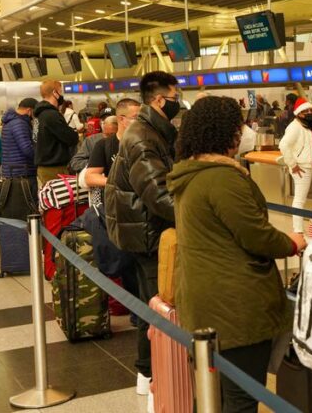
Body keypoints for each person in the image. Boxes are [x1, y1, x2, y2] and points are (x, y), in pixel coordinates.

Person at [167, 96, 305, 412]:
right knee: (241, 398)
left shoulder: (190, 173)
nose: (243, 131)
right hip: (235, 306)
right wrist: (293, 243)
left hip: (203, 299)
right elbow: (256, 235)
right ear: (224, 132)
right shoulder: (222, 178)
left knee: (216, 394)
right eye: (238, 125)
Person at [106, 71, 179, 398]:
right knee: (158, 307)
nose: (180, 101)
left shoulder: (151, 132)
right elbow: (159, 195)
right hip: (148, 234)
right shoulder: (143, 137)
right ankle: (153, 379)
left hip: (142, 230)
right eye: (176, 96)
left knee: (151, 304)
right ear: (160, 99)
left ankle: (146, 371)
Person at [279, 97, 312, 234]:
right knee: (299, 200)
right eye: (306, 111)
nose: (310, 113)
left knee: (301, 199)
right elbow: (283, 145)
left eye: (311, 110)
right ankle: (298, 230)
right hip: (301, 167)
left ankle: (301, 226)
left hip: (304, 165)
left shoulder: (303, 125)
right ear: (298, 113)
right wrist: (293, 165)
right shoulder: (295, 127)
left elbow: (302, 144)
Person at [85, 99, 140, 208]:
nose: (140, 121)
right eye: (135, 117)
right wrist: (118, 183)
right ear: (121, 119)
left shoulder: (146, 143)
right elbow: (90, 177)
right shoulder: (104, 145)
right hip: (117, 205)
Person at [34, 80, 80, 187]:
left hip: (44, 166)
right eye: (60, 91)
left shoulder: (39, 115)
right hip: (54, 168)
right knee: (60, 201)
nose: (62, 95)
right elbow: (71, 138)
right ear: (55, 93)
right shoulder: (51, 115)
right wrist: (74, 133)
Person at [0, 98, 37, 184]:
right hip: (22, 172)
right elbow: (27, 148)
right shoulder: (20, 123)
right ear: (29, 110)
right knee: (27, 197)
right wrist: (40, 158)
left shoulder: (10, 121)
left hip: (13, 170)